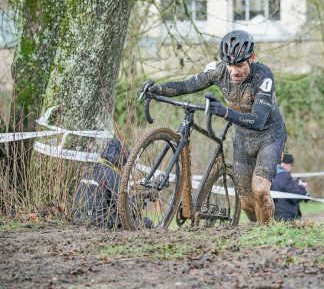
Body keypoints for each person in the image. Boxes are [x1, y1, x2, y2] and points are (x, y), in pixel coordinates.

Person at [143, 30, 287, 223]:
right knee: (246, 203)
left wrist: (224, 112)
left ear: (252, 58)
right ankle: (260, 233)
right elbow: (187, 86)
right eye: (230, 65)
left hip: (269, 136)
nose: (235, 71)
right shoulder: (219, 72)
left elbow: (259, 119)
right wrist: (158, 89)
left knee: (260, 191)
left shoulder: (263, 77)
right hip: (243, 138)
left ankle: (270, 233)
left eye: (240, 65)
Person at [72, 138, 130, 228]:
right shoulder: (113, 175)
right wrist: (139, 202)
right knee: (143, 221)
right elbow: (124, 208)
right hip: (98, 220)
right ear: (120, 157)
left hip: (77, 217)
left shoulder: (90, 169)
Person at [271, 153, 310, 221]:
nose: (291, 167)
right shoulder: (285, 177)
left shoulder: (271, 176)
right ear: (286, 164)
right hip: (287, 215)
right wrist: (302, 186)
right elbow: (296, 195)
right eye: (291, 165)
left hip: (275, 215)